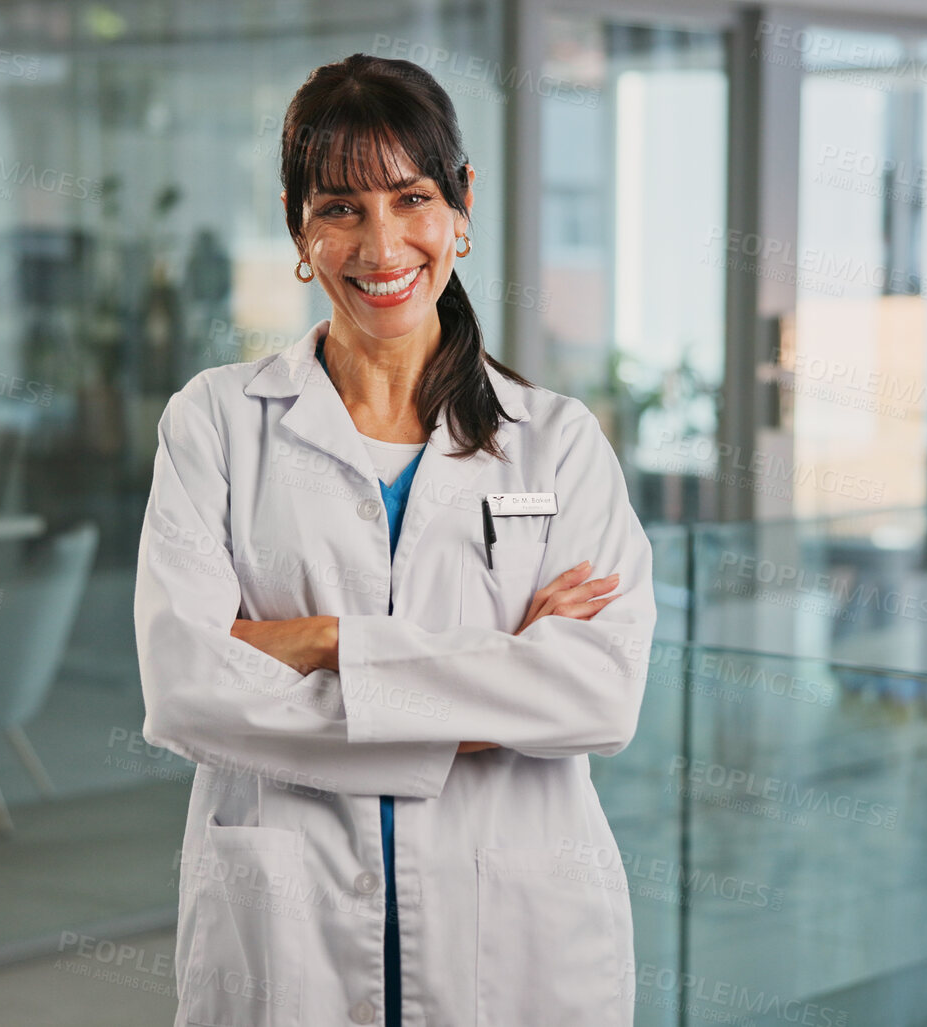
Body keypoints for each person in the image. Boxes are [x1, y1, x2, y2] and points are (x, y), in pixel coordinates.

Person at [135, 52, 656, 1027]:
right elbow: (186, 687)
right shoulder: (214, 423)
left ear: (461, 205)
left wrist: (324, 641)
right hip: (287, 930)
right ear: (298, 225)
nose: (382, 246)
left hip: (517, 932)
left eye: (410, 198)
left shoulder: (558, 442)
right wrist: (492, 686)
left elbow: (596, 693)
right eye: (339, 207)